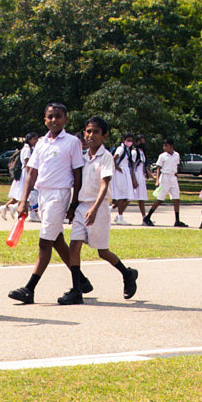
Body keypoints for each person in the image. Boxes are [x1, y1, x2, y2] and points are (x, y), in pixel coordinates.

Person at [8, 102, 84, 305]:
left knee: (45, 242)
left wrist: (74, 202)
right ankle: (81, 280)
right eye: (50, 117)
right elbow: (32, 172)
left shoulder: (71, 142)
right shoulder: (41, 143)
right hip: (42, 195)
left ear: (65, 119)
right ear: (45, 119)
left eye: (58, 116)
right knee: (56, 239)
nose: (54, 120)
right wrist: (23, 200)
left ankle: (30, 288)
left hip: (59, 195)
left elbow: (78, 173)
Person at [63, 116, 139, 303]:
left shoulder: (106, 158)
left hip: (99, 208)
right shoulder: (82, 157)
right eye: (88, 132)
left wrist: (95, 208)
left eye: (95, 132)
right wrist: (73, 207)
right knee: (74, 245)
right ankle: (76, 290)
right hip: (82, 206)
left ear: (104, 136)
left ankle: (127, 273)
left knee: (102, 251)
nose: (90, 135)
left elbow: (105, 184)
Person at [145, 137, 183, 227]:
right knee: (160, 199)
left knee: (176, 198)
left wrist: (176, 177)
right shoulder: (162, 156)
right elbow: (158, 169)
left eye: (166, 145)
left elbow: (176, 167)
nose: (164, 147)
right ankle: (148, 216)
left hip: (173, 177)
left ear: (171, 146)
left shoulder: (176, 155)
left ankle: (177, 220)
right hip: (165, 177)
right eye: (164, 145)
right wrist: (157, 180)